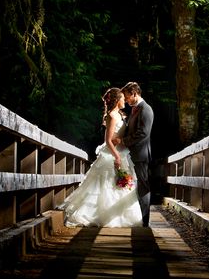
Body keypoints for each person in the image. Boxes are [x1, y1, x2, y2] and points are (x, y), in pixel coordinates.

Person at [57, 87, 143, 227]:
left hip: (122, 152)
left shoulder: (120, 115)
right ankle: (101, 215)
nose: (124, 101)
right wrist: (116, 157)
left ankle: (120, 216)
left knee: (121, 184)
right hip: (112, 154)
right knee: (106, 185)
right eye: (122, 98)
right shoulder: (111, 116)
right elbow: (108, 140)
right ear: (116, 100)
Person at [113, 82, 154, 227]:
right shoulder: (136, 109)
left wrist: (123, 141)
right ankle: (138, 218)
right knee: (135, 186)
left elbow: (143, 133)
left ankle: (145, 221)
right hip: (132, 154)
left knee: (143, 186)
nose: (126, 99)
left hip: (141, 155)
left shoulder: (146, 109)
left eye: (127, 96)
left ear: (135, 93)